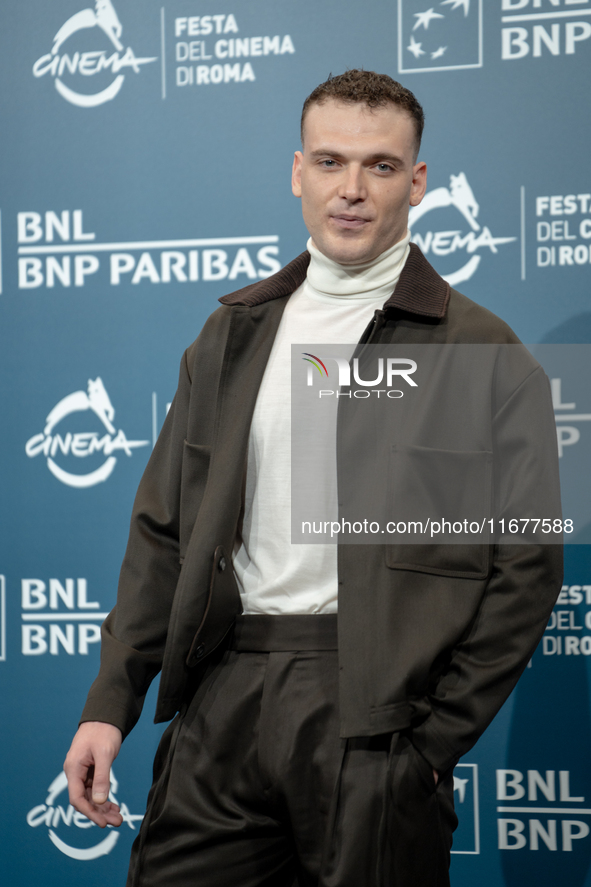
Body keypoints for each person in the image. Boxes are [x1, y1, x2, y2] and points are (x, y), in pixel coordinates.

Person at [64, 70, 562, 886]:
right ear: (298, 172)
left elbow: (526, 571)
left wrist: (430, 744)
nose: (352, 190)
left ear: (417, 181)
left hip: (374, 722)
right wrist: (109, 702)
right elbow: (164, 532)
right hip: (224, 696)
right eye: (330, 162)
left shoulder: (483, 353)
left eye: (380, 166)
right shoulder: (230, 333)